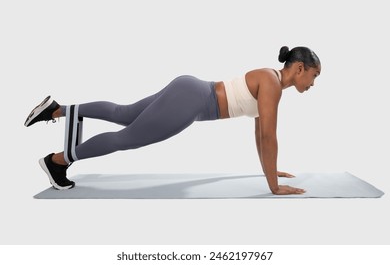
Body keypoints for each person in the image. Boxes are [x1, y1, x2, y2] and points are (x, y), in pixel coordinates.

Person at [25, 46, 321, 195]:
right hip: (193, 102)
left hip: (190, 89)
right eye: (314, 75)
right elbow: (270, 136)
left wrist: (271, 170)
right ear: (298, 68)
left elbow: (260, 136)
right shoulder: (271, 84)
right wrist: (274, 187)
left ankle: (56, 110)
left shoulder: (269, 80)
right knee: (126, 138)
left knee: (124, 114)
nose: (313, 83)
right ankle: (58, 161)